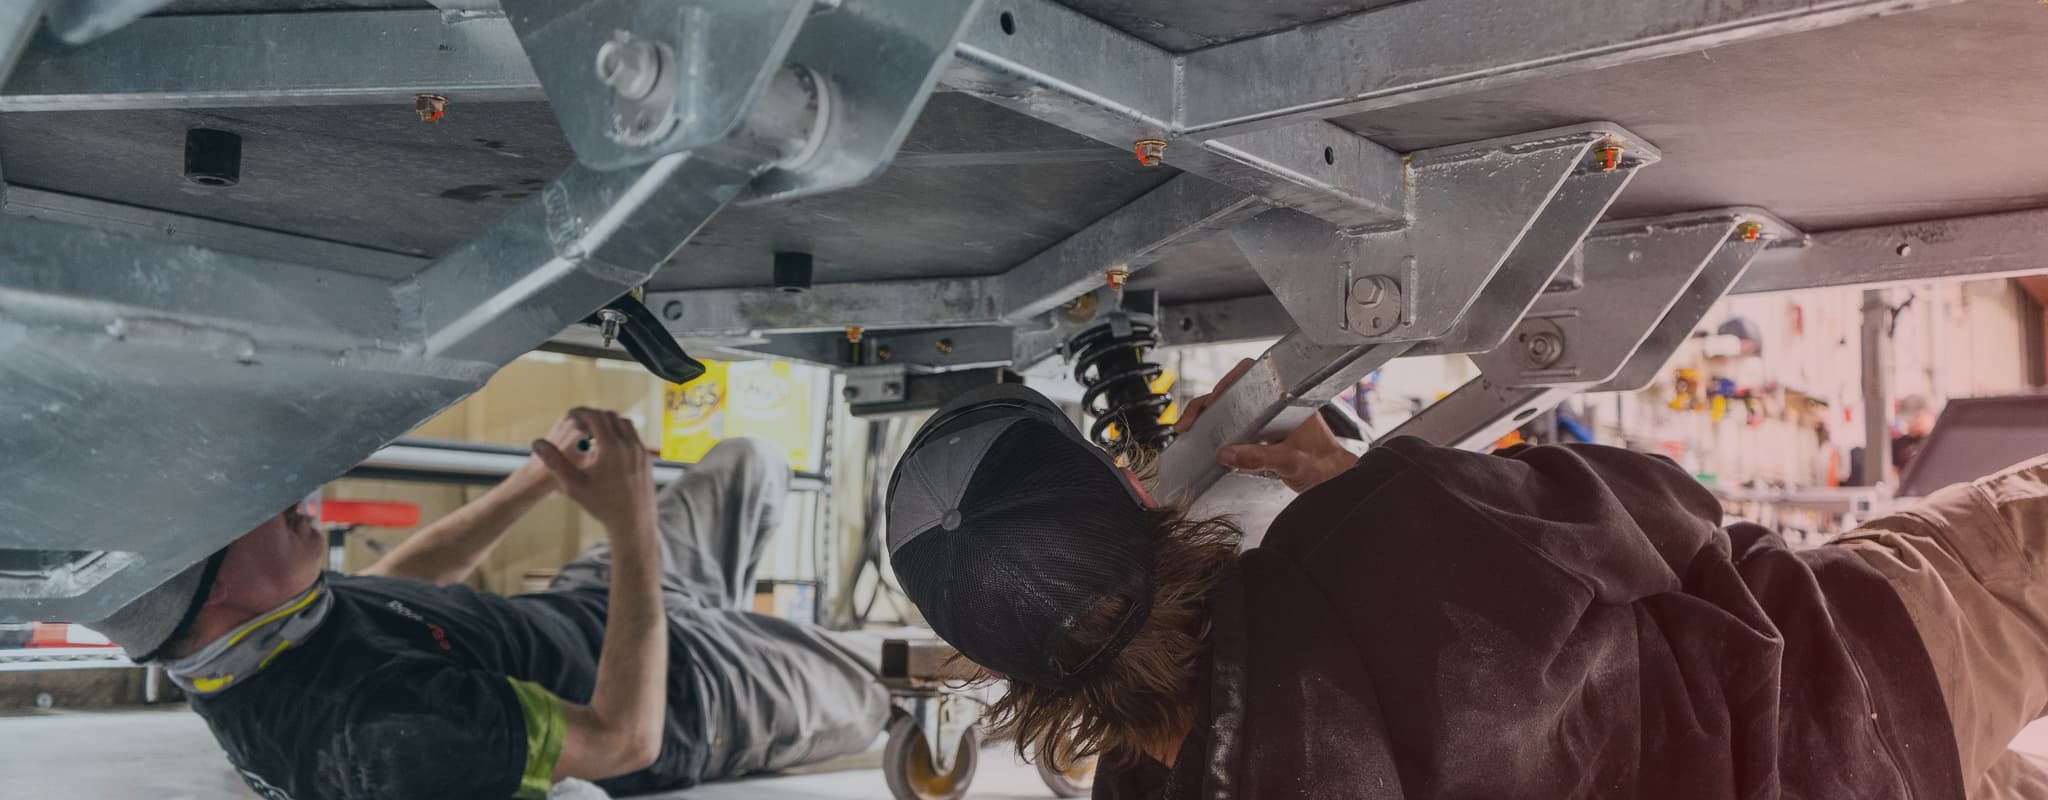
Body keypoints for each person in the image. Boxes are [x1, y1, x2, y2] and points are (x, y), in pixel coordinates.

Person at [885, 362, 2048, 799]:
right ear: (1138, 497)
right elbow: (1663, 508)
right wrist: (1359, 475)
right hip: (1860, 683)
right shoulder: (1374, 536)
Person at [88, 408, 887, 800]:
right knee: (878, 687)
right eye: (259, 505)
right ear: (216, 583)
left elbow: (398, 583)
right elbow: (624, 740)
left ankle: (749, 629)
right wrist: (631, 521)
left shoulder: (260, 630)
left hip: (593, 604)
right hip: (687, 696)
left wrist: (538, 476)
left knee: (749, 462)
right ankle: (770, 654)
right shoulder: (380, 733)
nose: (296, 495)